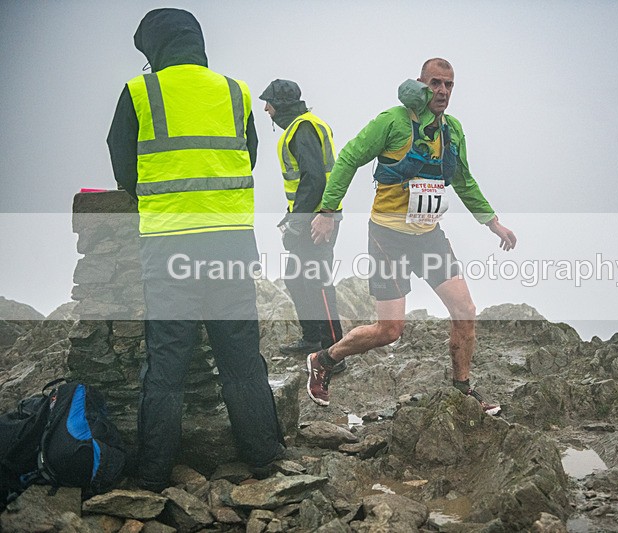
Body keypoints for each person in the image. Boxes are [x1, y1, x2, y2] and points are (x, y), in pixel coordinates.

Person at [106, 8, 283, 491]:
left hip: (169, 249)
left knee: (165, 367)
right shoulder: (237, 91)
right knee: (241, 358)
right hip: (229, 244)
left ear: (154, 46)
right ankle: (264, 455)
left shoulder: (141, 92)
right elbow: (247, 155)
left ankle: (153, 471)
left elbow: (124, 165)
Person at [308, 58, 517, 415]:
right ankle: (324, 359)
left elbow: (464, 180)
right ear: (420, 85)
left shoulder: (452, 130)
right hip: (387, 236)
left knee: (465, 310)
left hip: (429, 236)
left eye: (449, 85)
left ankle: (462, 389)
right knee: (390, 330)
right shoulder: (392, 121)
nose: (442, 91)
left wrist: (492, 222)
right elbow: (348, 158)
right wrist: (327, 211)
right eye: (435, 83)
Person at [259, 80, 345, 372]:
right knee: (297, 278)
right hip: (310, 215)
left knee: (318, 281)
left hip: (318, 218)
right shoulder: (301, 126)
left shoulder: (303, 128)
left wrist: (299, 222)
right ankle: (313, 339)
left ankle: (334, 353)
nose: (266, 108)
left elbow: (315, 179)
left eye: (269, 102)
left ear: (281, 104)